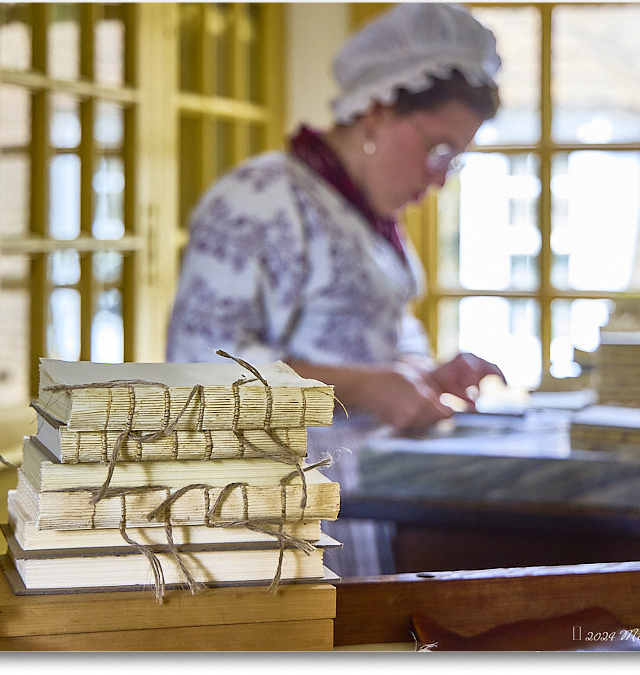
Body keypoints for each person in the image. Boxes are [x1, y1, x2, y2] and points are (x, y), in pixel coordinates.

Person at [167, 3, 506, 575]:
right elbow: (199, 371)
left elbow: (379, 336)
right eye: (439, 150)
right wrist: (366, 388)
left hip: (351, 505)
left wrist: (424, 375)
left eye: (457, 161)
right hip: (260, 516)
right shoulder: (260, 198)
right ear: (378, 110)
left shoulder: (367, 217)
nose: (440, 177)